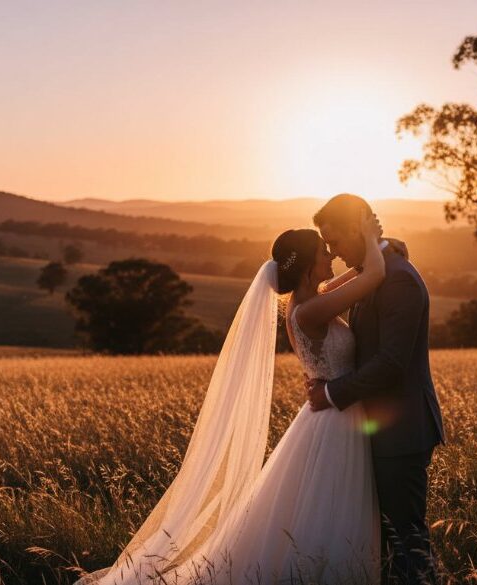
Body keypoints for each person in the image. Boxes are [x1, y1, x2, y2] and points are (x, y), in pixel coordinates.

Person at [75, 210, 389, 585]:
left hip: (330, 413)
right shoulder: (311, 311)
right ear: (307, 266)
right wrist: (373, 240)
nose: (331, 256)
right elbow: (375, 276)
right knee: (329, 504)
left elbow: (348, 281)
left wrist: (375, 251)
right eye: (324, 251)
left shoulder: (309, 302)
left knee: (318, 506)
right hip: (333, 420)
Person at [306, 194, 445, 584]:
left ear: (359, 228)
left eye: (335, 241)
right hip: (378, 429)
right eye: (325, 245)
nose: (332, 251)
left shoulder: (397, 278)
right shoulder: (375, 270)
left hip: (402, 431)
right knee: (387, 541)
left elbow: (391, 362)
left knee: (407, 540)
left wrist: (332, 392)